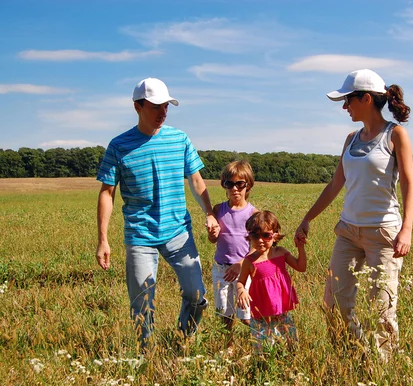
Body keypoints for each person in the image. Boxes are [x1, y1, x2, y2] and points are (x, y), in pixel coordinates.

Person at [294, 69, 413, 359]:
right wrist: (308, 218)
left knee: (382, 310)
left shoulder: (395, 134)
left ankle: (383, 371)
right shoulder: (350, 139)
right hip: (348, 232)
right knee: (333, 303)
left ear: (365, 98)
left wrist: (407, 229)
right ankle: (353, 359)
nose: (345, 107)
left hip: (383, 232)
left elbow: (410, 183)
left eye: (348, 101)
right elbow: (336, 183)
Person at [96, 77, 218, 351]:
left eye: (166, 106)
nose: (163, 113)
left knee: (196, 293)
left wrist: (210, 213)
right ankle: (146, 356)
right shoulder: (119, 145)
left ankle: (182, 341)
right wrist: (103, 239)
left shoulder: (179, 139)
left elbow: (196, 181)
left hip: (178, 232)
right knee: (142, 301)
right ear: (137, 107)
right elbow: (107, 192)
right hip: (140, 234)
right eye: (155, 107)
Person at [237, 211, 307, 352]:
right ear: (249, 236)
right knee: (262, 346)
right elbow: (240, 281)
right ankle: (263, 366)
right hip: (261, 311)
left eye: (266, 235)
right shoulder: (249, 261)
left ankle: (290, 362)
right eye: (255, 235)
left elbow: (301, 267)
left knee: (290, 342)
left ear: (275, 235)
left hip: (281, 309)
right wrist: (241, 290)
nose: (260, 240)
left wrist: (301, 248)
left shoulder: (281, 252)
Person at [207, 160, 258, 349]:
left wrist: (241, 264)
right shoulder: (218, 210)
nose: (234, 189)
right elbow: (213, 240)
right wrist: (212, 235)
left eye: (240, 184)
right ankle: (227, 349)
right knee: (224, 314)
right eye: (229, 184)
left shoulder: (254, 214)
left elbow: (257, 248)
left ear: (248, 185)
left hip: (244, 270)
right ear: (223, 185)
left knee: (246, 314)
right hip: (221, 269)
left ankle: (258, 345)